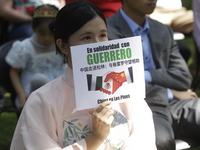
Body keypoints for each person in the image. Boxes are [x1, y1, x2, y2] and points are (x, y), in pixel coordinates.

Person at [10, 1, 157, 149]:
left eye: (102, 35)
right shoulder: (41, 102)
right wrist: (94, 139)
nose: (98, 45)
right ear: (63, 46)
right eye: (86, 38)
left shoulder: (128, 92)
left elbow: (143, 140)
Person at [106, 0, 200, 150]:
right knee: (159, 141)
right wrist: (171, 92)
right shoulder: (106, 33)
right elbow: (119, 84)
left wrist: (144, 75)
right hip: (136, 110)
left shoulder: (162, 29)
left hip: (175, 105)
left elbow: (183, 77)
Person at [5, 4, 65, 110]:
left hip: (58, 86)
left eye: (51, 34)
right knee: (39, 79)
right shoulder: (25, 47)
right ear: (33, 28)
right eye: (42, 33)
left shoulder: (60, 45)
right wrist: (21, 93)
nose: (47, 38)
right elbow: (14, 72)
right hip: (34, 90)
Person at [0, 0, 66, 41]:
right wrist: (30, 20)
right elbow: (4, 10)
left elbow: (62, 4)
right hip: (24, 23)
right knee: (34, 34)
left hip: (55, 21)